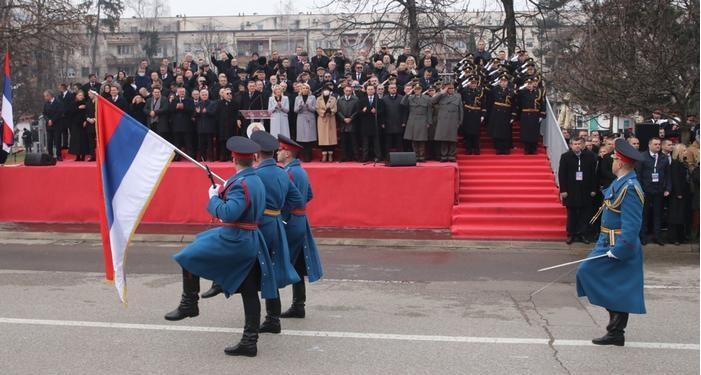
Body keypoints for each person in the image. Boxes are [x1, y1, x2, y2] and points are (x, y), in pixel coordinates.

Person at [166, 136, 276, 357]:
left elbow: (228, 213)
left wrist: (214, 199)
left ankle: (190, 302)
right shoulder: (254, 179)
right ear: (253, 158)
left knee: (187, 256)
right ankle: (249, 341)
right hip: (249, 237)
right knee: (248, 291)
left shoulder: (242, 183)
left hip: (236, 237)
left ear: (233, 158)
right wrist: (224, 191)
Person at [576, 138, 646, 347]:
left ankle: (616, 331)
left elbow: (632, 226)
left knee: (611, 284)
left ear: (621, 163)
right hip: (606, 242)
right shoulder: (620, 183)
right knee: (588, 273)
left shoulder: (630, 188)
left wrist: (620, 250)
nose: (612, 162)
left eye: (614, 159)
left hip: (619, 246)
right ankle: (615, 330)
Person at [248, 131, 303, 334]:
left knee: (256, 272)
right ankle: (273, 317)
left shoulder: (256, 175)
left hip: (261, 226)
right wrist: (280, 214)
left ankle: (266, 320)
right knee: (269, 269)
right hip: (277, 223)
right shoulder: (282, 172)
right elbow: (297, 200)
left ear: (257, 154)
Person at [274, 134, 324, 319]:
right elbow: (308, 195)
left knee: (278, 261)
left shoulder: (288, 173)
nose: (278, 153)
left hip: (290, 221)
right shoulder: (300, 171)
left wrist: (282, 218)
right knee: (298, 262)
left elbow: (285, 199)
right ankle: (298, 304)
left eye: (280, 150)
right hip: (301, 219)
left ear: (287, 153)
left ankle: (274, 310)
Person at [558, 137, 597, 244]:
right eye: (575, 144)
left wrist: (593, 188)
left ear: (583, 145)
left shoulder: (589, 156)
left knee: (584, 213)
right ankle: (571, 234)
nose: (577, 146)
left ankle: (582, 234)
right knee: (572, 213)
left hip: (585, 188)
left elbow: (593, 174)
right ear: (571, 145)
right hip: (571, 189)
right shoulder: (565, 157)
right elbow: (562, 174)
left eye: (579, 143)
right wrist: (563, 190)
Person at [636, 137, 671, 245]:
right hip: (645, 190)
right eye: (655, 144)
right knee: (644, 214)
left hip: (659, 190)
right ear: (649, 145)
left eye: (659, 144)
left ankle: (657, 236)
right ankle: (643, 236)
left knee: (658, 214)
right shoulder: (642, 157)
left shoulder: (664, 158)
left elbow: (668, 175)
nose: (658, 146)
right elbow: (638, 175)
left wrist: (668, 188)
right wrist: (640, 189)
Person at [431, 83, 462, 162]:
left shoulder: (458, 96)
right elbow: (432, 101)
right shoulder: (441, 96)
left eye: (452, 88)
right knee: (443, 139)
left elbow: (460, 109)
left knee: (452, 139)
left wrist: (460, 121)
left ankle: (451, 156)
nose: (451, 90)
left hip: (453, 120)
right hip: (443, 121)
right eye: (449, 88)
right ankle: (444, 156)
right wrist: (441, 93)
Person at [402, 84, 433, 162]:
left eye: (418, 89)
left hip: (423, 119)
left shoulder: (427, 98)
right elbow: (402, 103)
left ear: (421, 90)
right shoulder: (410, 97)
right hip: (412, 120)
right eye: (415, 89)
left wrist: (429, 121)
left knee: (422, 139)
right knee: (414, 139)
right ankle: (415, 156)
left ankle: (421, 156)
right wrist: (408, 94)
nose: (417, 91)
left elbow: (429, 111)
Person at [487, 74, 516, 155]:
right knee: (497, 131)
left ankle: (506, 148)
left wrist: (513, 115)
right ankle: (498, 148)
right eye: (502, 81)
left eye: (505, 81)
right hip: (497, 113)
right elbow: (490, 101)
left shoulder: (511, 91)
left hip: (507, 113)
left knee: (506, 132)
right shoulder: (494, 89)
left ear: (507, 82)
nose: (503, 83)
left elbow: (514, 104)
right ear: (499, 82)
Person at [515, 77, 546, 155]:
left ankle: (533, 148)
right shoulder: (522, 92)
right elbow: (515, 93)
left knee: (534, 132)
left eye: (530, 83)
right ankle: (526, 148)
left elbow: (542, 103)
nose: (529, 85)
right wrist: (523, 86)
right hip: (525, 115)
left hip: (535, 115)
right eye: (527, 84)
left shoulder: (538, 92)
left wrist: (542, 115)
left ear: (533, 84)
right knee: (526, 132)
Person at [668, 144, 689, 245]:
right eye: (684, 150)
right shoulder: (675, 163)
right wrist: (678, 193)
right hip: (677, 194)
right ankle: (673, 237)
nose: (686, 152)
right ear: (679, 151)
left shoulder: (682, 162)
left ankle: (681, 236)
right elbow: (675, 179)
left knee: (681, 216)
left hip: (683, 193)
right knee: (675, 216)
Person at [459, 76, 486, 155]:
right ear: (469, 83)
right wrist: (464, 84)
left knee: (476, 132)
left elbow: (483, 104)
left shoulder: (480, 92)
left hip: (477, 113)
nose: (473, 85)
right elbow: (458, 90)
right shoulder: (465, 91)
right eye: (472, 83)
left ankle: (476, 148)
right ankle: (468, 149)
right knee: (467, 132)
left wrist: (483, 115)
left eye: (475, 83)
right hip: (468, 113)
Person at [358, 85, 383, 162]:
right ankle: (365, 157)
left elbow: (382, 111)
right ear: (366, 91)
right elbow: (358, 112)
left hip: (375, 124)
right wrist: (363, 111)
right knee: (365, 142)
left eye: (372, 89)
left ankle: (378, 157)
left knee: (376, 142)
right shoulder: (362, 100)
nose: (370, 91)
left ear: (374, 90)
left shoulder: (378, 100)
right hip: (365, 124)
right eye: (368, 89)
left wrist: (376, 112)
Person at [169, 87, 195, 159]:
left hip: (187, 125)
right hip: (176, 125)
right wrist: (176, 107)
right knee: (177, 143)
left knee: (188, 142)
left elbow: (192, 109)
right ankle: (176, 157)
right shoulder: (174, 100)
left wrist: (184, 107)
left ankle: (190, 157)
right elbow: (170, 109)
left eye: (183, 91)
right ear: (177, 92)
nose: (182, 93)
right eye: (180, 91)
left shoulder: (189, 100)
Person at [381, 84, 406, 156]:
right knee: (387, 142)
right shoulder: (384, 99)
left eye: (394, 88)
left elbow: (404, 111)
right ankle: (387, 157)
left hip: (399, 123)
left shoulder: (401, 98)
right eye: (391, 88)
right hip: (388, 123)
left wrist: (404, 121)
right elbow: (382, 112)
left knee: (399, 142)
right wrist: (382, 122)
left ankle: (401, 157)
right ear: (388, 89)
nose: (393, 89)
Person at [293, 84, 317, 162]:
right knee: (301, 139)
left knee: (309, 139)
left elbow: (315, 109)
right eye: (303, 88)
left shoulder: (312, 97)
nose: (305, 89)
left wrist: (309, 106)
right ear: (301, 89)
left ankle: (309, 156)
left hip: (310, 118)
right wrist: (299, 106)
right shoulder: (297, 98)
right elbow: (295, 110)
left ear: (309, 89)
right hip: (301, 118)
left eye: (307, 88)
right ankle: (303, 156)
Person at [336, 85, 359, 162]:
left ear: (352, 91)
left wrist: (351, 118)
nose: (348, 92)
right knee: (343, 142)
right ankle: (343, 157)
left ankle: (356, 156)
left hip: (353, 123)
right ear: (344, 91)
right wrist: (343, 118)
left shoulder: (356, 99)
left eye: (349, 91)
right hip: (343, 123)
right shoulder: (340, 100)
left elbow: (357, 111)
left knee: (354, 141)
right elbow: (338, 111)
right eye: (347, 90)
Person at [316, 84, 338, 162]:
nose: (326, 91)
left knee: (331, 137)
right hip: (322, 119)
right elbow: (317, 108)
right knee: (323, 137)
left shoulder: (333, 99)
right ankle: (324, 154)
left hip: (331, 119)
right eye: (324, 90)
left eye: (327, 90)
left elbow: (335, 108)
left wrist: (331, 111)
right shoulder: (318, 99)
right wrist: (324, 112)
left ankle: (330, 154)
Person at [194, 89, 218, 161]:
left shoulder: (212, 103)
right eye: (203, 95)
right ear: (200, 96)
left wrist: (207, 111)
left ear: (208, 95)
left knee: (210, 144)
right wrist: (197, 113)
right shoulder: (198, 104)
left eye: (206, 95)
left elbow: (214, 113)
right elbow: (195, 116)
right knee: (201, 144)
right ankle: (202, 158)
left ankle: (211, 158)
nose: (204, 96)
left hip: (209, 127)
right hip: (201, 127)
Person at [67, 90, 89, 161]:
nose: (81, 97)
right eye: (79, 95)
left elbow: (88, 113)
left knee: (83, 140)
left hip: (83, 124)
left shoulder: (85, 103)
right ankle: (77, 155)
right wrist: (78, 108)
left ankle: (83, 155)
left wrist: (86, 120)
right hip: (75, 124)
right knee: (76, 140)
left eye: (82, 95)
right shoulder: (73, 103)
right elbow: (70, 112)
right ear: (76, 96)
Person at [42, 90, 63, 160]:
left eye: (45, 96)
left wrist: (52, 120)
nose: (44, 97)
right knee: (49, 141)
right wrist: (48, 120)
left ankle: (59, 155)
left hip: (57, 124)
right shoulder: (45, 104)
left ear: (49, 96)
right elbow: (44, 114)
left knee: (57, 140)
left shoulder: (58, 102)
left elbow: (59, 113)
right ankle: (50, 155)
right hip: (49, 126)